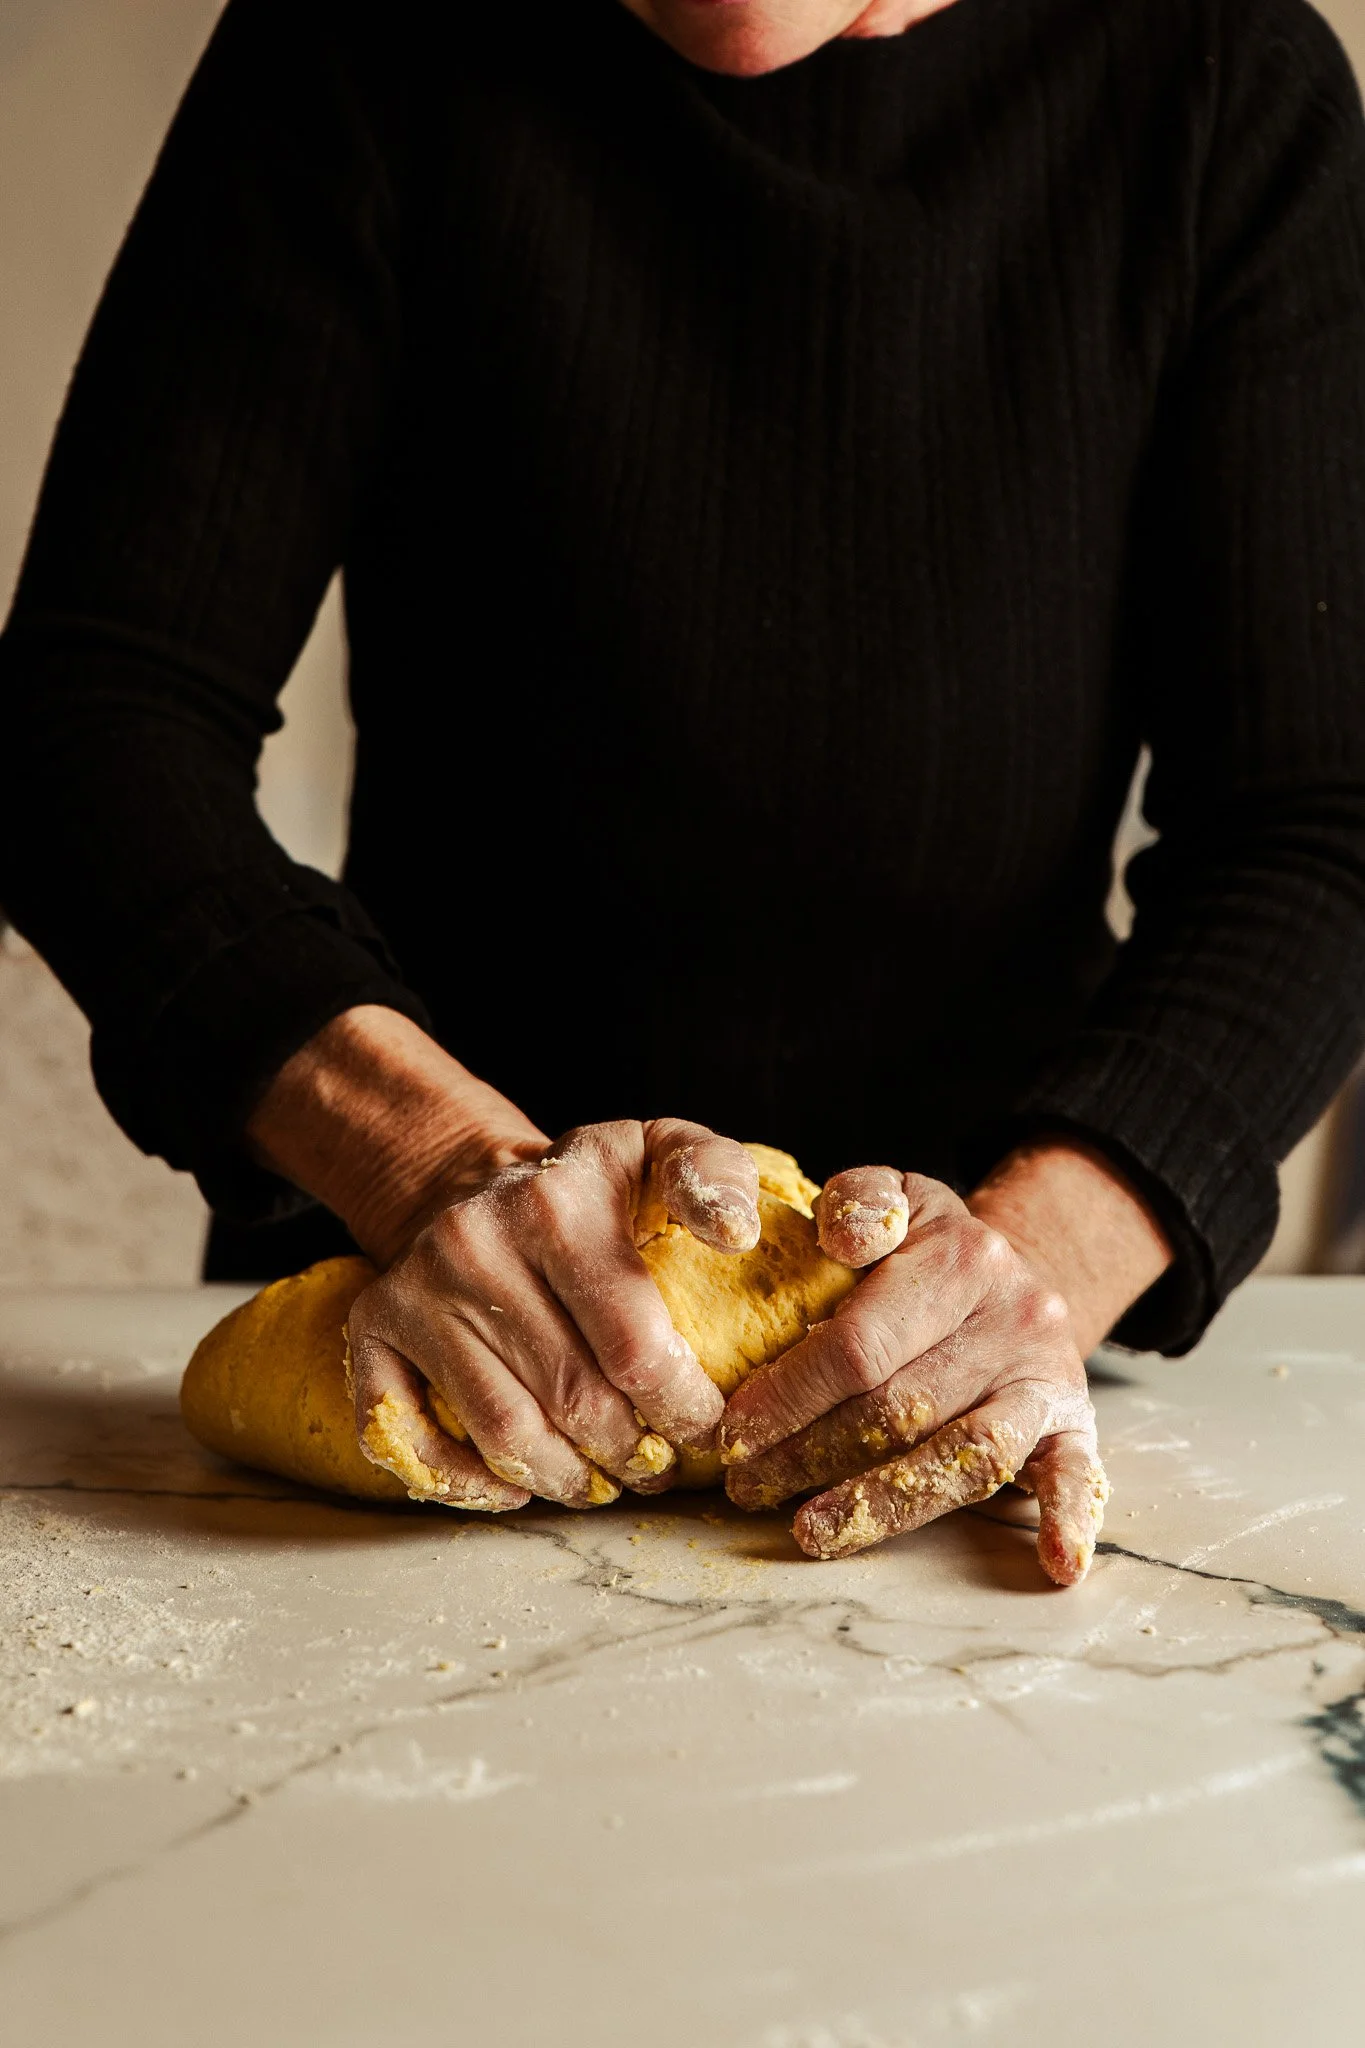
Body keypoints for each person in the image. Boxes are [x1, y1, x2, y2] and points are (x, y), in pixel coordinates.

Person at [2, 0, 1364, 1583]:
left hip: (975, 1413)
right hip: (428, 1358)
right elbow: (91, 726)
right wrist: (440, 1170)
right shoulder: (359, 40)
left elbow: (1313, 825)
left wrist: (1039, 1260)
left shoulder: (1218, 81)